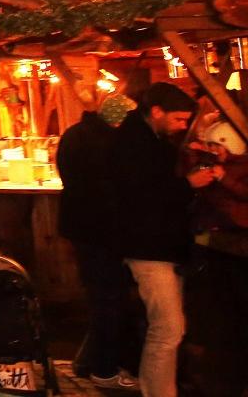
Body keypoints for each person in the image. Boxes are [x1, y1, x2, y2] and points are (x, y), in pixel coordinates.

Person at [110, 82, 214, 397]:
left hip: (157, 246)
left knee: (167, 328)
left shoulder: (148, 140)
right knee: (168, 329)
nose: (182, 126)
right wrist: (189, 184)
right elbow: (143, 196)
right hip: (148, 248)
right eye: (178, 119)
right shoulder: (133, 145)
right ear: (157, 112)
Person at [56, 94, 141, 387]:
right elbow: (114, 192)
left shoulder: (73, 134)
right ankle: (104, 370)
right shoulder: (109, 144)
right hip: (104, 233)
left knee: (99, 299)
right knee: (110, 300)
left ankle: (89, 362)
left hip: (79, 229)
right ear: (119, 120)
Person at [186, 105, 248, 396]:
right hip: (219, 249)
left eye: (215, 145)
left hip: (235, 248)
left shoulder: (236, 171)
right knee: (223, 315)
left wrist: (222, 179)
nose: (212, 150)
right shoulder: (218, 166)